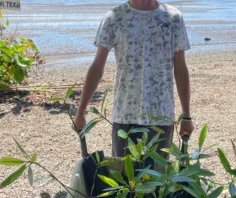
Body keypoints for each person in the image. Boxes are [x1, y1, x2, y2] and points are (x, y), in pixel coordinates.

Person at [73, 0, 193, 158]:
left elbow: (180, 68)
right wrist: (81, 111)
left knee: (158, 179)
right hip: (125, 114)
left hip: (161, 114)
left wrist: (186, 116)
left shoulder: (173, 17)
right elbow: (97, 67)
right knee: (124, 179)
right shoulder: (115, 17)